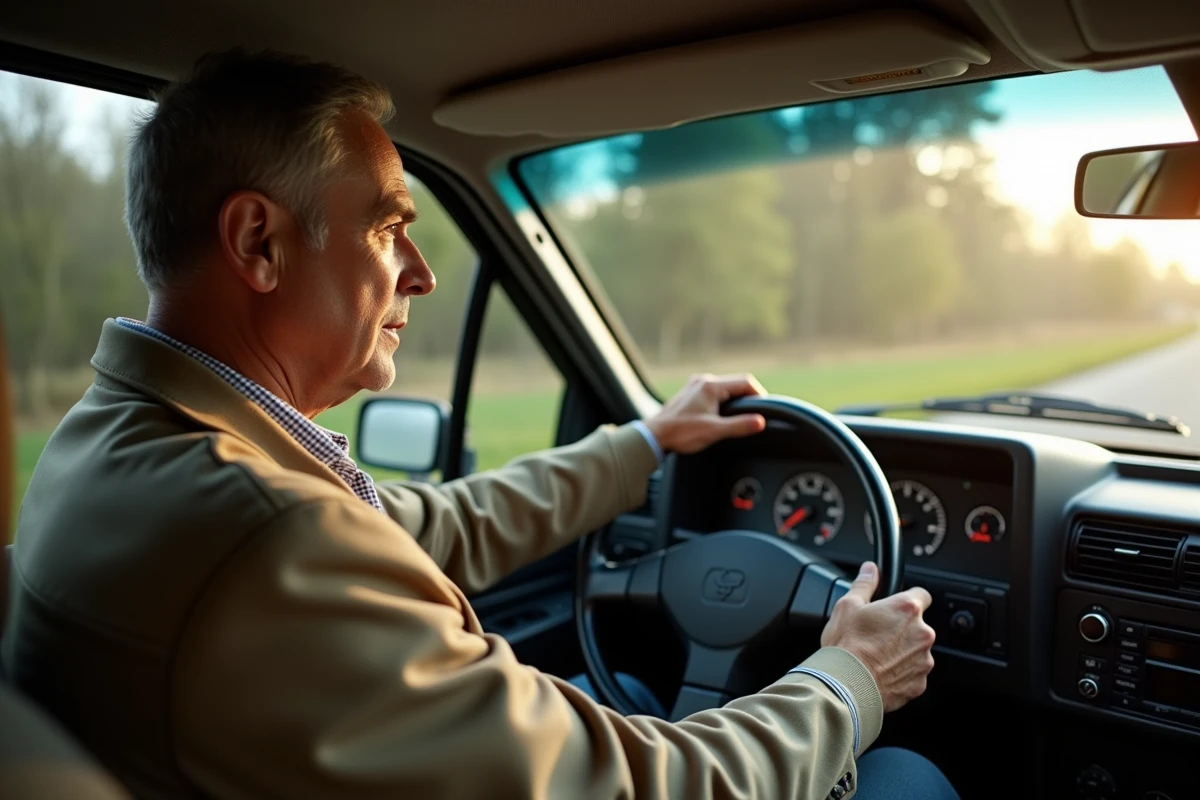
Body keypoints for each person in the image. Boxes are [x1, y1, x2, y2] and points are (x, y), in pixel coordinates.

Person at [1, 50, 956, 800]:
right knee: (908, 780)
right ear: (259, 242)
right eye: (387, 227)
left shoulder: (111, 438)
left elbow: (430, 529)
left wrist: (645, 445)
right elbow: (644, 788)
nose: (418, 271)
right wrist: (849, 677)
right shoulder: (266, 537)